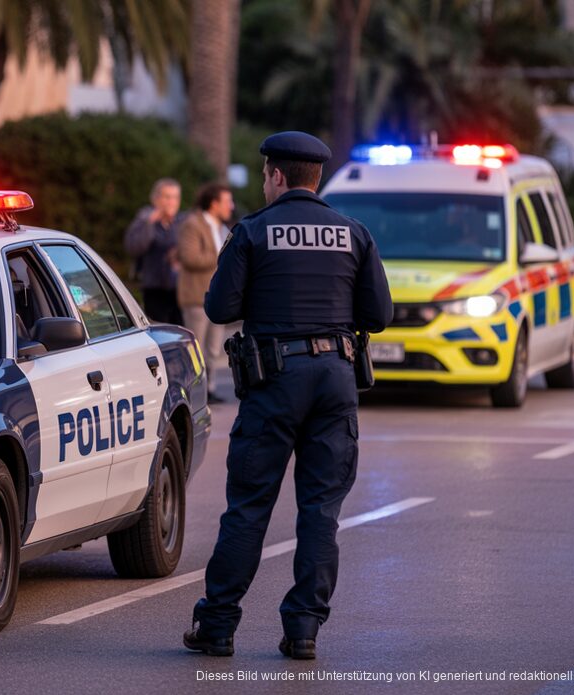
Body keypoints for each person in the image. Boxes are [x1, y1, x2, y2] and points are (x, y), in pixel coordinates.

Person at [184, 132, 393, 659]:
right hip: (336, 379)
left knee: (249, 508)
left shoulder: (254, 231)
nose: (264, 184)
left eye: (264, 176)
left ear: (277, 175)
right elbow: (379, 316)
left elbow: (219, 308)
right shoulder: (353, 232)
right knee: (320, 512)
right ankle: (303, 630)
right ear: (315, 178)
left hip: (274, 381)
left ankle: (217, 626)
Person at [177, 183, 235, 403]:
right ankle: (195, 392)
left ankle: (208, 389)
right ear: (214, 204)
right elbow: (190, 257)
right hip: (196, 298)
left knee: (213, 349)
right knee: (196, 348)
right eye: (227, 201)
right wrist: (222, 255)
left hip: (216, 297)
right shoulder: (193, 224)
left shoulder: (222, 227)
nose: (231, 206)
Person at [125, 178, 184, 325]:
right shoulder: (144, 219)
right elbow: (133, 247)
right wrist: (149, 223)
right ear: (155, 199)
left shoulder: (180, 223)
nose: (172, 202)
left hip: (179, 289)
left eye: (175, 197)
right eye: (167, 197)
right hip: (154, 289)